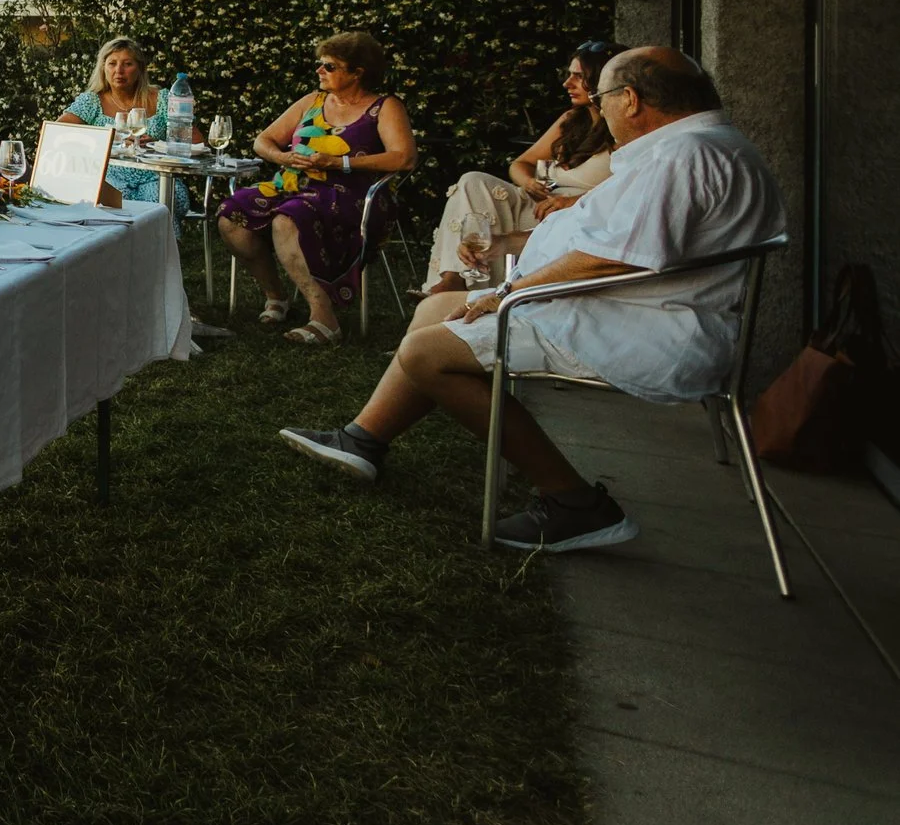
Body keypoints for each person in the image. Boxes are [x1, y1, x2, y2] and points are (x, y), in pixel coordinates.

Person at [278, 48, 786, 553]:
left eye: (604, 97)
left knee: (424, 354)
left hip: (636, 325)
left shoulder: (685, 157)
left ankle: (573, 502)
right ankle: (364, 440)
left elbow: (619, 257)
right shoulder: (700, 147)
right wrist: (507, 257)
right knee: (435, 311)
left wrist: (511, 291)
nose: (602, 111)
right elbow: (618, 242)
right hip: (626, 305)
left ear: (629, 100)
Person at [216, 31, 418, 345]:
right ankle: (276, 296)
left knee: (289, 219)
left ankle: (324, 317)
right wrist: (283, 156)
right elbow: (262, 141)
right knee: (232, 214)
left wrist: (342, 164)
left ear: (357, 73)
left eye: (329, 66)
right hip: (292, 185)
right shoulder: (314, 100)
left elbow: (404, 157)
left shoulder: (384, 107)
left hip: (353, 195)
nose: (319, 71)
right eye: (320, 65)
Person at [422, 40, 618, 294]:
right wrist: (527, 182)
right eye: (569, 75)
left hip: (574, 215)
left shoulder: (622, 127)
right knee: (472, 181)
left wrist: (572, 202)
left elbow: (628, 189)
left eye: (578, 77)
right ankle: (454, 277)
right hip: (537, 203)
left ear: (602, 79)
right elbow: (520, 164)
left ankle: (465, 285)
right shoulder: (571, 120)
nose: (567, 83)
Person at [58, 37, 189, 214]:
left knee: (159, 204)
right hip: (109, 176)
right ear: (103, 68)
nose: (119, 71)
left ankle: (162, 241)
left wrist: (157, 144)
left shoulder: (163, 99)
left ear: (140, 68)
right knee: (115, 203)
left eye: (127, 64)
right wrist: (108, 140)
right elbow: (57, 134)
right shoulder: (92, 101)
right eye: (112, 64)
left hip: (157, 176)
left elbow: (193, 140)